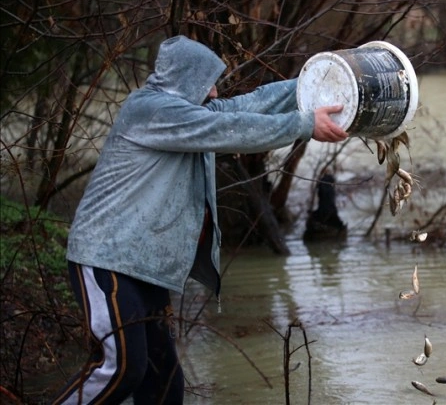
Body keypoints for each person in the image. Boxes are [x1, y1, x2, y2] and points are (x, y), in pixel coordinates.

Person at [51, 35, 348, 404]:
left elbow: (249, 105)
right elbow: (231, 130)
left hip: (144, 268)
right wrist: (304, 125)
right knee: (121, 368)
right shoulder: (151, 110)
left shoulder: (190, 115)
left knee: (164, 385)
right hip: (106, 259)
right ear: (186, 78)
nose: (215, 89)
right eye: (209, 79)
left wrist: (318, 80)